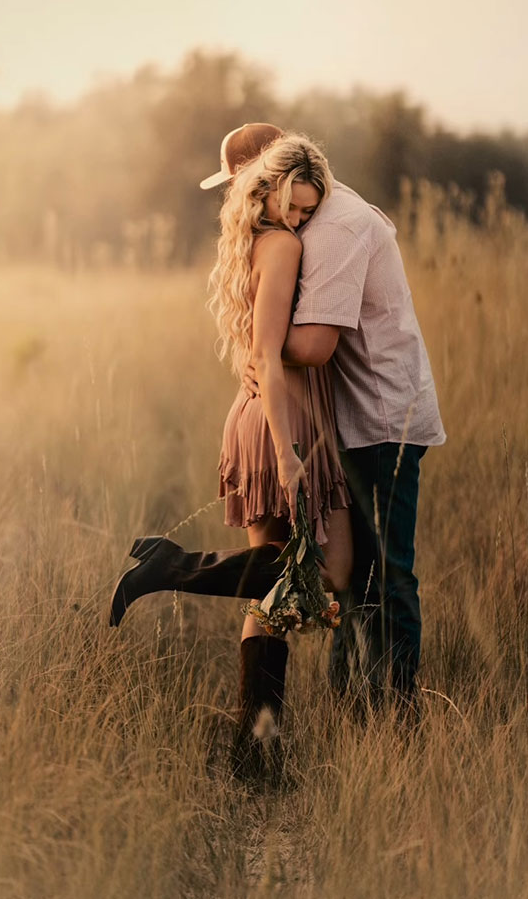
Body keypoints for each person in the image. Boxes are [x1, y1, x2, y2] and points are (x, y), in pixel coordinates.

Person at [110, 122, 445, 718]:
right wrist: (262, 352)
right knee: (341, 573)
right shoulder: (286, 236)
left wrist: (257, 346)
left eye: (242, 180)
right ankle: (365, 715)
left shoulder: (314, 228)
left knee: (330, 578)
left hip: (356, 414)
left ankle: (264, 735)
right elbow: (301, 348)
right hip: (290, 413)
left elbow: (303, 344)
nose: (240, 193)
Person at [111, 129, 353, 777]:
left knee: (271, 591)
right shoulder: (282, 246)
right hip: (282, 421)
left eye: (307, 208)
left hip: (260, 415)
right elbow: (270, 358)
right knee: (325, 575)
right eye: (296, 204)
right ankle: (172, 568)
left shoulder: (250, 239)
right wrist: (286, 453)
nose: (303, 218)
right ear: (270, 184)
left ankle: (257, 752)